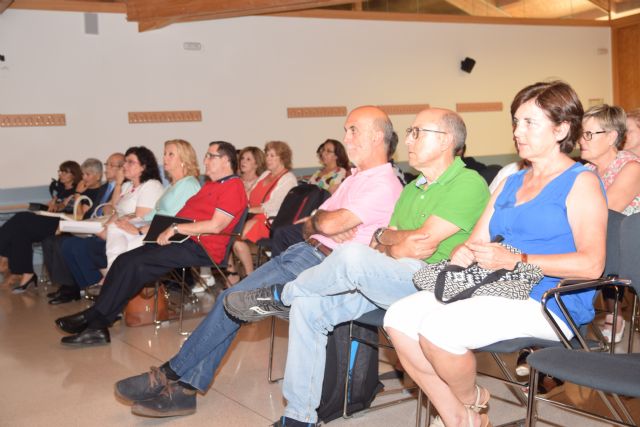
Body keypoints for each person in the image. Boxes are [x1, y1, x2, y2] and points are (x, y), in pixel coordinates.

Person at [112, 105, 403, 418]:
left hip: (322, 264)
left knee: (231, 301)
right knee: (231, 301)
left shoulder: (383, 183)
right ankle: (183, 389)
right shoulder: (355, 179)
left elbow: (327, 224)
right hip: (304, 251)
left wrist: (322, 221)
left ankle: (170, 375)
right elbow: (308, 223)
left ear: (376, 136)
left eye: (352, 130)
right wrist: (320, 220)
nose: (346, 137)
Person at [224, 107, 490, 427]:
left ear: (447, 140)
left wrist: (391, 240)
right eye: (410, 132)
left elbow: (422, 243)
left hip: (434, 280)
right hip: (394, 276)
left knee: (351, 254)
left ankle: (283, 295)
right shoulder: (412, 188)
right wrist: (390, 238)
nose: (408, 140)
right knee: (309, 308)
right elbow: (381, 243)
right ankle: (299, 417)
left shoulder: (467, 182)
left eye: (418, 133)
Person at [383, 81, 606, 427]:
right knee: (398, 318)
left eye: (529, 123)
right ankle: (462, 413)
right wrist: (462, 252)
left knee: (438, 329)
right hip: (499, 285)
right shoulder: (511, 181)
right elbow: (473, 243)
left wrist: (519, 261)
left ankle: (469, 405)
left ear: (562, 128)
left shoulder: (581, 182)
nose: (518, 132)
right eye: (516, 122)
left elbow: (592, 265)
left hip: (550, 297)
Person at [54, 141, 247, 346]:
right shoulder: (212, 185)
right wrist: (152, 228)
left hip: (200, 247)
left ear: (225, 160)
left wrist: (175, 229)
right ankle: (96, 321)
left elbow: (217, 226)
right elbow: (183, 217)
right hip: (181, 239)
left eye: (210, 156)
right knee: (124, 261)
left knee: (136, 265)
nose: (205, 160)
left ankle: (95, 321)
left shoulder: (233, 187)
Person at [60, 146, 164, 292]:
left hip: (132, 234)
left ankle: (107, 288)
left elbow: (141, 217)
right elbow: (115, 209)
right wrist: (119, 184)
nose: (125, 166)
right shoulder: (128, 186)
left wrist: (112, 226)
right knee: (68, 244)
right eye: (125, 162)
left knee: (84, 247)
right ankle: (90, 288)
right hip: (117, 230)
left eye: (130, 162)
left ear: (143, 167)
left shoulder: (151, 185)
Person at [580, 104, 640, 342]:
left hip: (625, 251)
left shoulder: (632, 167)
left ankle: (562, 327)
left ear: (612, 137)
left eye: (589, 134)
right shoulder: (587, 171)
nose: (581, 140)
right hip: (596, 246)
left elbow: (606, 212)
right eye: (580, 133)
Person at [0, 159, 101, 293]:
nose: (84, 178)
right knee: (20, 232)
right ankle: (27, 274)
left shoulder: (89, 192)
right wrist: (55, 205)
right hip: (54, 219)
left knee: (21, 218)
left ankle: (5, 254)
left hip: (62, 224)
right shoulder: (67, 190)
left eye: (87, 175)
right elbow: (60, 208)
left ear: (98, 176)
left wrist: (77, 194)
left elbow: (80, 216)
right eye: (83, 174)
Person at [105, 139, 201, 271]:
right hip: (155, 228)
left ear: (183, 159)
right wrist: (132, 218)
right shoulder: (171, 186)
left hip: (168, 235)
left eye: (170, 154)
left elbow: (178, 218)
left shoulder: (189, 184)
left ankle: (112, 277)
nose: (165, 157)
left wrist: (140, 230)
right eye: (164, 153)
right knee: (115, 227)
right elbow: (155, 212)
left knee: (125, 255)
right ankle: (112, 274)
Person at [45, 153, 125, 305]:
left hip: (108, 229)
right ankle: (84, 286)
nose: (106, 169)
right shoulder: (105, 188)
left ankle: (94, 288)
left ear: (122, 169)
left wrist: (78, 197)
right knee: (55, 241)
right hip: (94, 224)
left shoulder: (124, 188)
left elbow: (113, 211)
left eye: (110, 166)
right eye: (106, 164)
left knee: (69, 244)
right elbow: (89, 213)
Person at [231, 141, 297, 281]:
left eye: (273, 155)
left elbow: (274, 206)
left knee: (235, 238)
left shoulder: (288, 178)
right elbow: (249, 195)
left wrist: (247, 210)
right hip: (253, 216)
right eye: (267, 155)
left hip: (269, 221)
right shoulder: (265, 174)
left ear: (283, 158)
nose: (268, 158)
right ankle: (240, 274)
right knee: (229, 234)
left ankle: (248, 276)